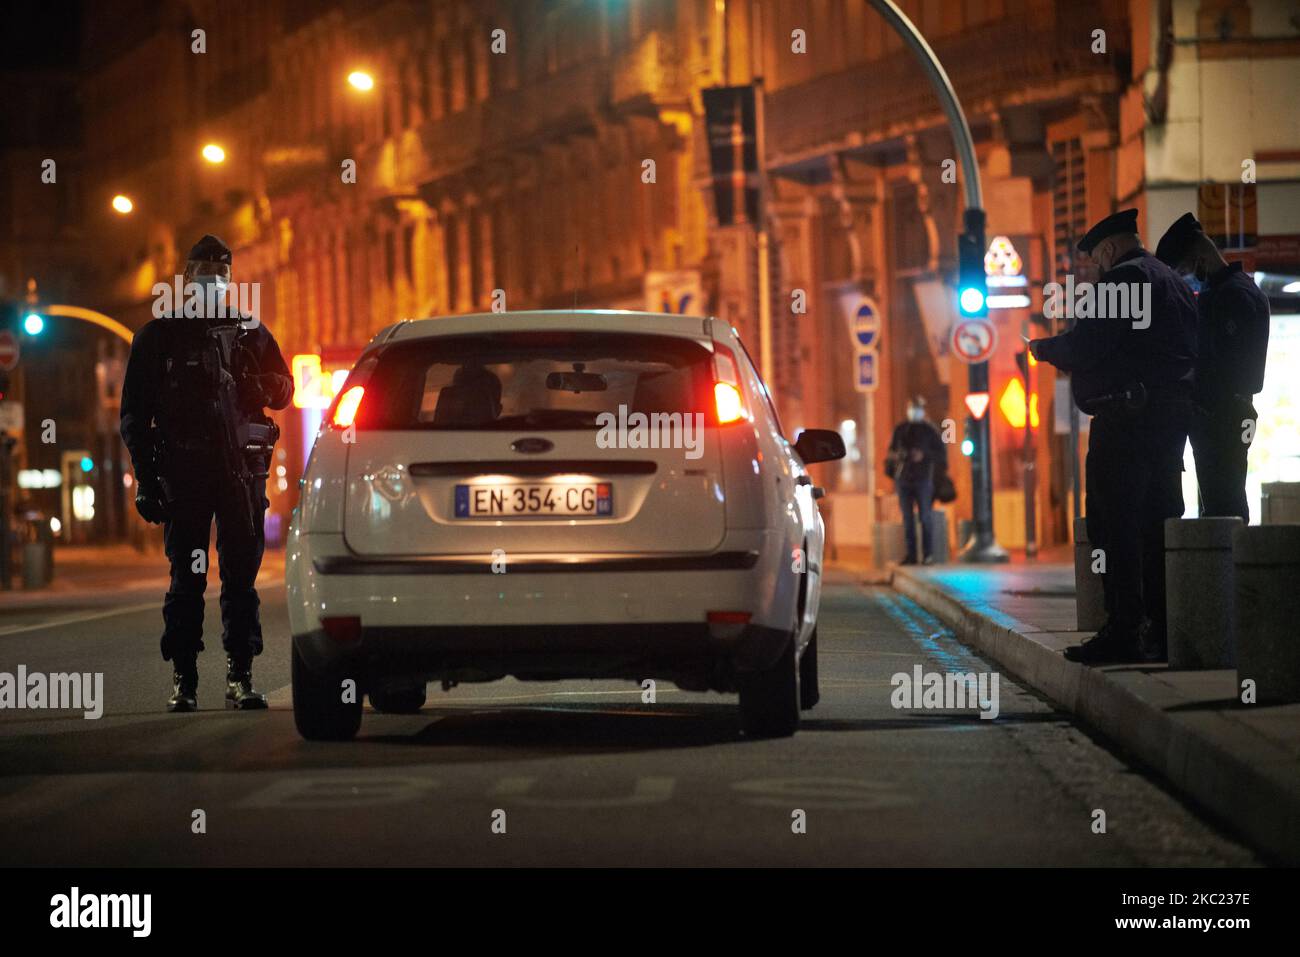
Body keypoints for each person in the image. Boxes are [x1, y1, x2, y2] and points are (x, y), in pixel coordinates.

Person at [120, 235, 292, 711]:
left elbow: (284, 388)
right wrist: (148, 481)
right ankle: (185, 677)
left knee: (240, 578)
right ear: (188, 278)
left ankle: (240, 674)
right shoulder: (160, 336)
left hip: (239, 473)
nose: (212, 282)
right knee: (187, 578)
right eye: (204, 273)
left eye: (220, 274)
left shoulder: (249, 330)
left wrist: (255, 382)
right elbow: (135, 415)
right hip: (186, 471)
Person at [1030, 209, 1197, 664]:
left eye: (1097, 257)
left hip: (1125, 422)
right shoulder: (1174, 282)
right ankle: (1161, 630)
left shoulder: (1119, 284)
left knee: (1113, 526)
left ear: (1107, 249)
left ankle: (1123, 630)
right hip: (1168, 423)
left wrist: (1044, 349)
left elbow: (1086, 345)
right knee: (1159, 522)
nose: (1097, 267)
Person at [1156, 212, 1270, 522]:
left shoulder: (1233, 296)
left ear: (1198, 255)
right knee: (1219, 502)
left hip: (1223, 416)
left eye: (1183, 270)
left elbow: (1226, 367)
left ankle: (1229, 568)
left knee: (1224, 507)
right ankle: (1224, 566)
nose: (1183, 279)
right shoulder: (1223, 291)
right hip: (1221, 415)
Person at [885, 397, 948, 565]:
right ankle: (911, 556)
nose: (914, 411)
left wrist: (923, 455)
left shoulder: (930, 431)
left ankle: (928, 555)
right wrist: (899, 456)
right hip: (903, 479)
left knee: (925, 517)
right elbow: (891, 452)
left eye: (917, 408)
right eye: (912, 408)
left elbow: (941, 454)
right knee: (907, 519)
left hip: (923, 479)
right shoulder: (901, 429)